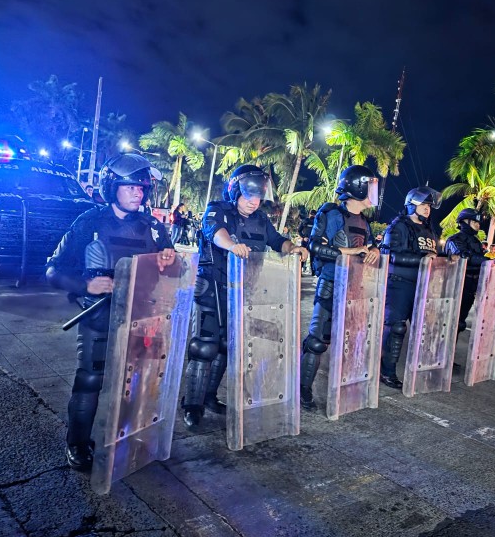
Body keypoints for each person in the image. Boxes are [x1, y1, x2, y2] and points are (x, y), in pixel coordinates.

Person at [46, 153, 176, 471]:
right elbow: (52, 270)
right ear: (112, 187)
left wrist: (171, 264)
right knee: (90, 380)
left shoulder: (155, 230)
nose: (138, 193)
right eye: (130, 186)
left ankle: (133, 436)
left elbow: (173, 276)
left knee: (140, 382)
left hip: (142, 320)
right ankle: (77, 444)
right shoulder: (89, 222)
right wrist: (84, 286)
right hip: (99, 317)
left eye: (142, 187)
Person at [181, 165, 308, 427]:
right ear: (235, 191)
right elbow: (216, 233)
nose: (254, 202)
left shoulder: (261, 219)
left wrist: (293, 248)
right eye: (249, 196)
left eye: (258, 196)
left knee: (227, 346)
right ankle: (192, 405)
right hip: (213, 287)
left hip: (243, 290)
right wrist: (232, 246)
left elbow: (277, 240)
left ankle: (208, 397)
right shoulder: (217, 209)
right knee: (205, 346)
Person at [300, 165, 381, 411]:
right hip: (330, 282)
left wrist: (375, 251)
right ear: (356, 187)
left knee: (353, 340)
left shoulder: (365, 222)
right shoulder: (331, 213)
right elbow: (316, 246)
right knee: (317, 340)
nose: (373, 193)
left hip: (355, 287)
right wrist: (350, 251)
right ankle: (303, 389)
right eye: (370, 188)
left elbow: (370, 246)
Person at [378, 186, 441, 388]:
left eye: (429, 206)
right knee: (396, 328)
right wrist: (422, 259)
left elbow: (433, 256)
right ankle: (387, 372)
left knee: (425, 329)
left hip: (423, 285)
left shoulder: (429, 229)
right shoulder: (398, 227)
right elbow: (390, 255)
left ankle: (423, 371)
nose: (427, 209)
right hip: (399, 284)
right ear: (411, 205)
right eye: (423, 204)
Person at [444, 209, 487, 339]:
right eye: (475, 222)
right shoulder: (454, 239)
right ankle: (440, 356)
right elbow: (464, 257)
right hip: (455, 286)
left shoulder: (477, 242)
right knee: (448, 323)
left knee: (460, 323)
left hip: (470, 286)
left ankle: (449, 357)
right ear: (465, 221)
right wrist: (487, 261)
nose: (478, 225)